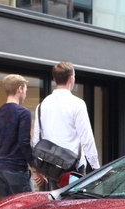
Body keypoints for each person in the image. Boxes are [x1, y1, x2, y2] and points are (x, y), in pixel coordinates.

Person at [33, 61, 100, 189]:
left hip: (50, 168)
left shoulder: (42, 106)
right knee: (75, 206)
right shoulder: (77, 104)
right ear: (71, 78)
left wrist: (38, 169)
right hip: (73, 169)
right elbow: (87, 140)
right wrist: (96, 168)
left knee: (56, 206)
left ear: (54, 79)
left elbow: (36, 140)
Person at [0, 74, 45, 199]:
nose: (25, 94)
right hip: (16, 169)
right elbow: (24, 143)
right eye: (25, 90)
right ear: (19, 89)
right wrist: (35, 168)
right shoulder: (23, 113)